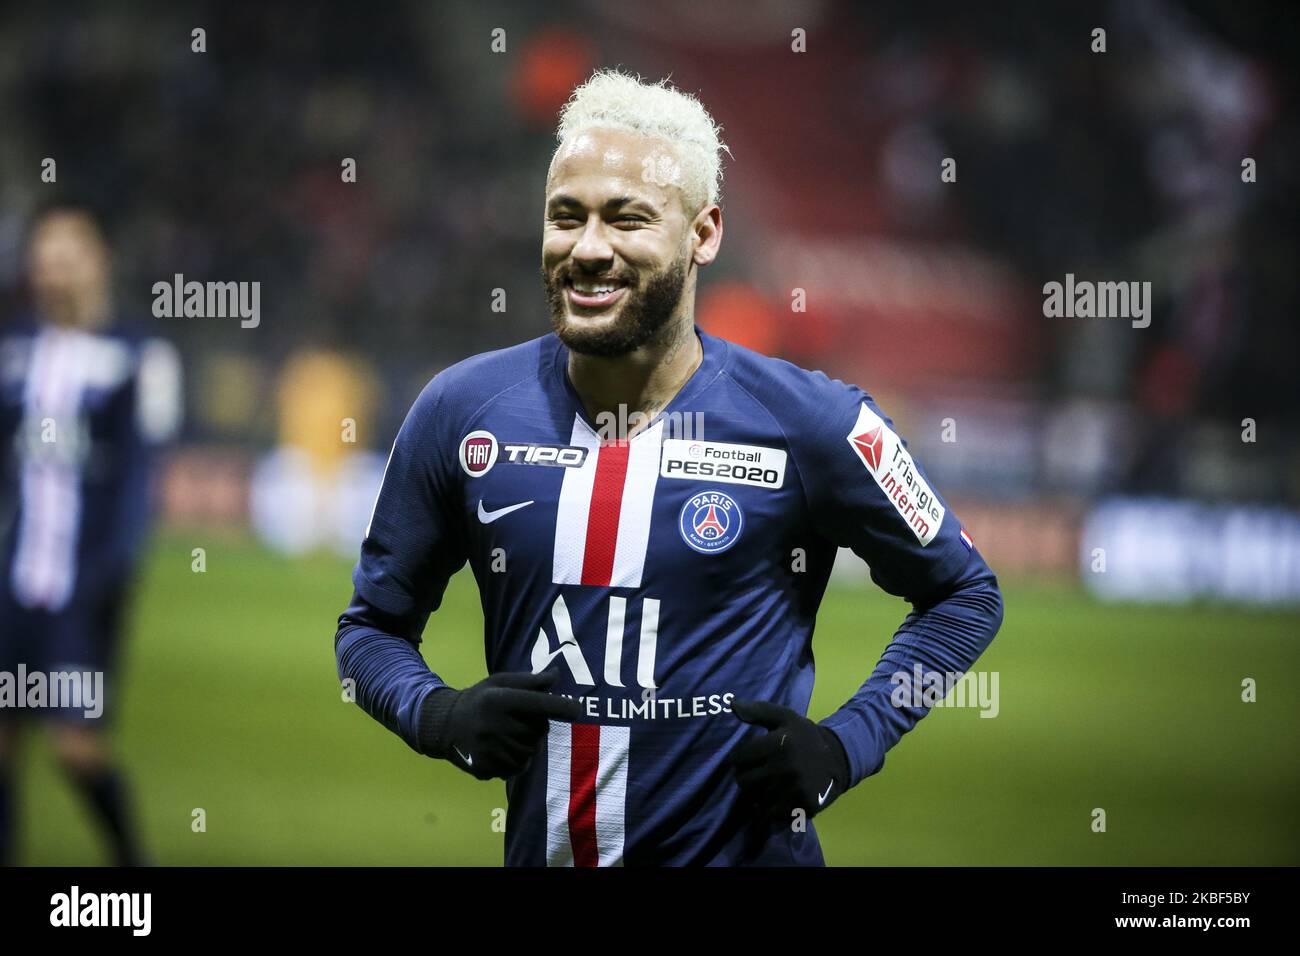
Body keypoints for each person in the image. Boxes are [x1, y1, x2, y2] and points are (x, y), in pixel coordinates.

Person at [336, 69, 1003, 866]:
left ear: (704, 234)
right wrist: (435, 714)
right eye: (565, 217)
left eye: (627, 219)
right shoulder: (460, 411)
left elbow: (965, 593)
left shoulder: (813, 421)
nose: (588, 249)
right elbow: (370, 630)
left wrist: (847, 745)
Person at [0, 202, 182, 865]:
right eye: (43, 252)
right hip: (13, 580)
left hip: (86, 584)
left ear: (98, 260)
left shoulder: (137, 356)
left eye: (67, 251)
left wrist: (120, 564)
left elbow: (142, 472)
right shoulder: (15, 348)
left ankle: (132, 870)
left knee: (76, 749)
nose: (52, 266)